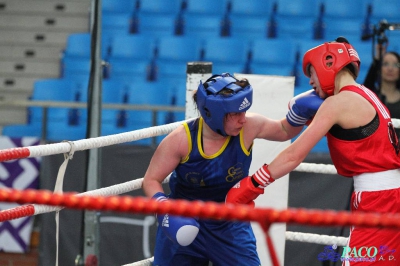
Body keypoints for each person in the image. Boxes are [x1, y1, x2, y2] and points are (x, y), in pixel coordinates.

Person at [227, 37, 400, 265]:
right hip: (385, 197)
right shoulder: (364, 94)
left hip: (380, 200)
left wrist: (253, 185)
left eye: (312, 73)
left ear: (328, 64)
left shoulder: (337, 104)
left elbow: (293, 155)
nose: (310, 82)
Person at [142, 72, 324, 265]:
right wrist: (164, 210)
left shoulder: (249, 127)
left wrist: (299, 113)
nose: (243, 119)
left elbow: (284, 130)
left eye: (244, 112)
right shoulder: (181, 140)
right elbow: (151, 179)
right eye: (236, 113)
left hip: (230, 223)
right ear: (214, 113)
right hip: (184, 220)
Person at [363, 44, 400, 135]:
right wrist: (377, 59)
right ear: (379, 69)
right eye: (385, 64)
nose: (390, 69)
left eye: (395, 65)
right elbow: (366, 86)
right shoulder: (371, 95)